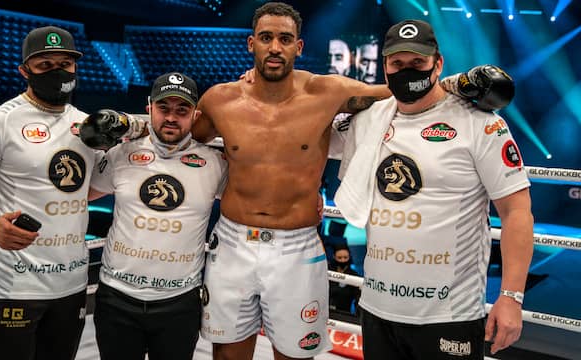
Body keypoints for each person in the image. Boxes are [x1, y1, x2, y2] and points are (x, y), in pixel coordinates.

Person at [190, 2, 515, 360]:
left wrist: (455, 82)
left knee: (293, 355)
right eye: (266, 38)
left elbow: (400, 89)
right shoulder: (220, 99)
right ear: (251, 43)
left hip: (296, 247)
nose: (275, 47)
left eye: (285, 39)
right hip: (233, 242)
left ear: (299, 46)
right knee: (226, 355)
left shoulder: (327, 93)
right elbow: (189, 140)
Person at [334, 19, 534, 359]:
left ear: (437, 63)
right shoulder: (370, 119)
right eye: (398, 64)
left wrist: (511, 297)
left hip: (449, 316)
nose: (407, 71)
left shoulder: (480, 124)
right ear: (385, 67)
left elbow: (516, 212)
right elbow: (310, 124)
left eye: (418, 63)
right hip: (377, 307)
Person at [0, 26, 95, 359]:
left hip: (70, 285)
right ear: (24, 71)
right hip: (14, 284)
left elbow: (86, 190)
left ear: (75, 68)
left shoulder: (86, 126)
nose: (57, 72)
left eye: (64, 64)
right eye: (45, 66)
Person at [84, 72, 227, 360]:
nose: (171, 117)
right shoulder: (122, 153)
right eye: (164, 108)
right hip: (117, 297)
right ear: (149, 108)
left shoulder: (213, 163)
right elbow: (82, 195)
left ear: (195, 115)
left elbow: (249, 201)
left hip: (180, 302)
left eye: (181, 110)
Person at [328, 243, 360, 315]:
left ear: (349, 257)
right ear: (334, 257)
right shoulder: (327, 271)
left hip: (344, 314)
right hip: (325, 312)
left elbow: (358, 300)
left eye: (345, 257)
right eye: (339, 258)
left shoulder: (354, 277)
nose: (342, 260)